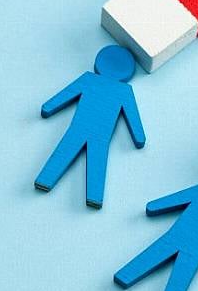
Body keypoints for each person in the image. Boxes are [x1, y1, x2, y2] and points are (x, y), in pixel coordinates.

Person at [35, 45, 145, 209]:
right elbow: (133, 117)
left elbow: (64, 95)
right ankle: (94, 197)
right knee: (97, 161)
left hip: (80, 128)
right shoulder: (123, 90)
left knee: (64, 151)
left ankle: (45, 180)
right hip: (100, 134)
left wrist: (49, 106)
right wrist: (139, 137)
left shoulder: (90, 79)